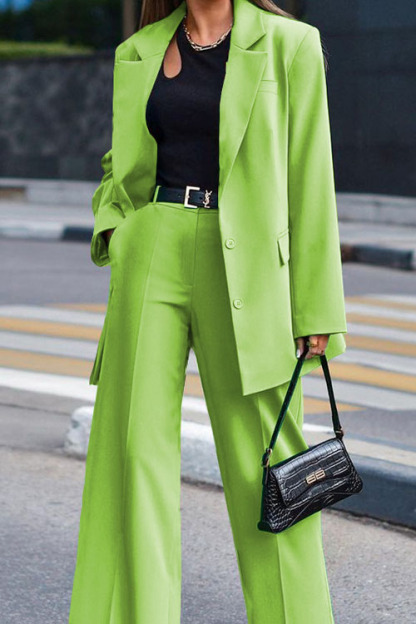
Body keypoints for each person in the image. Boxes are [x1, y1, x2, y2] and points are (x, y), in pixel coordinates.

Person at [69, 0, 347, 622]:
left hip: (249, 263)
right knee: (133, 453)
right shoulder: (139, 50)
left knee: (269, 464)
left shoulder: (290, 44)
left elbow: (311, 171)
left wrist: (316, 307)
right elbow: (121, 158)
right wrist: (117, 227)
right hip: (153, 250)